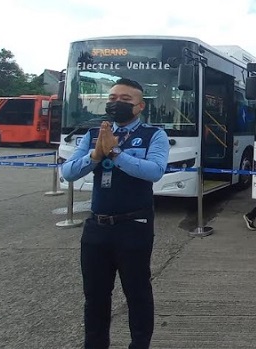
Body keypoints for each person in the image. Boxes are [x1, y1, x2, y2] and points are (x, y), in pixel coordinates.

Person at [61, 78, 170, 349]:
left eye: (124, 100)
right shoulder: (92, 135)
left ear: (139, 106)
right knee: (95, 297)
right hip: (97, 229)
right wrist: (95, 155)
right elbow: (68, 172)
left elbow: (154, 171)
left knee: (138, 294)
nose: (116, 103)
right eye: (112, 98)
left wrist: (117, 153)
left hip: (134, 226)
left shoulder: (154, 135)